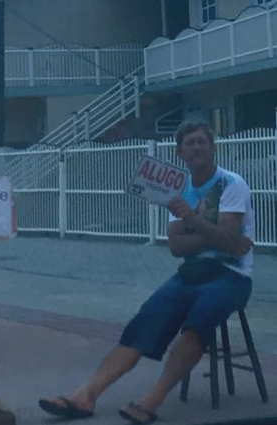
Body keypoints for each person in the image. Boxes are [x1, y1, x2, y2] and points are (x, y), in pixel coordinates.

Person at [38, 121, 255, 424]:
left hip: (232, 275)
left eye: (202, 142)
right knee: (146, 320)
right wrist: (217, 235)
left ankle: (151, 400)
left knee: (198, 321)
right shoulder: (178, 188)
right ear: (181, 153)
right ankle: (85, 394)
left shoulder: (232, 184)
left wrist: (194, 220)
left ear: (213, 147)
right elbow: (178, 246)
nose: (196, 148)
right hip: (191, 272)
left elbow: (229, 244)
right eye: (190, 143)